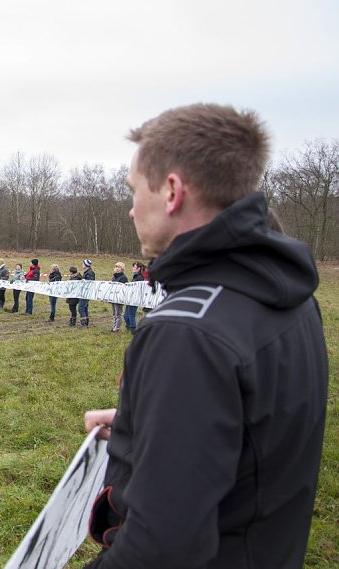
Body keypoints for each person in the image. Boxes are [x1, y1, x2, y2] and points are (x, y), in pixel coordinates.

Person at [83, 104, 328, 569]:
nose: (131, 208)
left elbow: (159, 550)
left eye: (135, 191)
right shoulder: (289, 295)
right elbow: (259, 425)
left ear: (172, 191)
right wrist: (153, 420)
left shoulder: (186, 333)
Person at [123, 262, 144, 334]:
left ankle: (133, 331)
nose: (132, 268)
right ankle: (128, 328)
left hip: (135, 299)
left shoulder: (140, 277)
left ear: (138, 269)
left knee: (131, 314)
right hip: (129, 298)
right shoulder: (135, 276)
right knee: (126, 315)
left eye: (134, 267)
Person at [109, 262, 128, 332]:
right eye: (116, 267)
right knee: (114, 313)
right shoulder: (114, 277)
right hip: (113, 298)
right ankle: (114, 325)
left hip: (119, 298)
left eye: (119, 267)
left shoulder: (123, 278)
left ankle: (117, 328)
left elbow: (122, 289)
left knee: (118, 313)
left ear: (122, 269)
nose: (117, 268)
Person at [78, 258, 95, 327]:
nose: (82, 265)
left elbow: (89, 283)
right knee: (85, 307)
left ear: (86, 265)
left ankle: (84, 324)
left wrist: (83, 280)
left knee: (81, 308)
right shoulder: (86, 272)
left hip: (86, 293)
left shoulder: (90, 273)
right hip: (84, 292)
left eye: (83, 263)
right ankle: (86, 322)